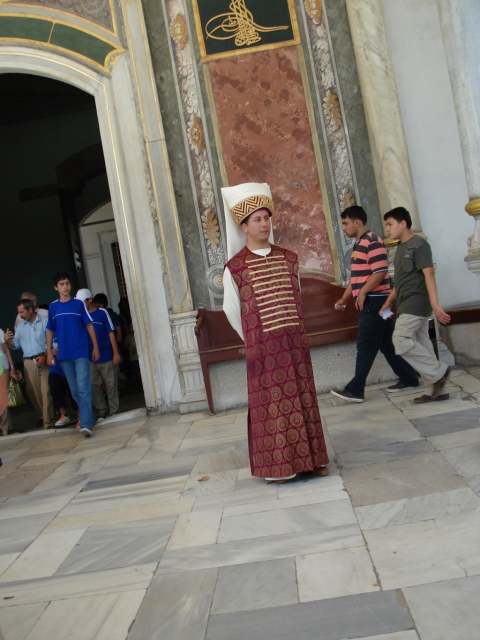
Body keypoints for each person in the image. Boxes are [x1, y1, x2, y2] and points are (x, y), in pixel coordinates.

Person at [223, 182, 329, 482]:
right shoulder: (235, 268)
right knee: (272, 405)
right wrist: (252, 339)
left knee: (303, 397)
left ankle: (313, 460)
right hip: (263, 349)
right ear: (244, 226)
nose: (264, 224)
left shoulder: (288, 258)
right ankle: (278, 467)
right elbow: (231, 310)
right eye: (257, 219)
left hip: (293, 344)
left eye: (266, 218)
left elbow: (296, 296)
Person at [331, 206, 419, 402]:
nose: (343, 228)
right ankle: (409, 377)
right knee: (386, 343)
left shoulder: (372, 241)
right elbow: (356, 278)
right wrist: (344, 299)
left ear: (357, 222)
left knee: (366, 344)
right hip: (375, 303)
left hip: (376, 302)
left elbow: (380, 272)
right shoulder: (359, 244)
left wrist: (363, 292)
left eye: (345, 223)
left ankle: (356, 389)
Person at [381, 207, 451, 403]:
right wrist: (388, 302)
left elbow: (429, 275)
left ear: (403, 223)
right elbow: (400, 282)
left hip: (417, 302)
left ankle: (439, 372)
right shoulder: (400, 248)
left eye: (390, 224)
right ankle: (436, 390)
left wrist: (435, 305)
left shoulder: (419, 245)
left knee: (400, 339)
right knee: (423, 344)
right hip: (404, 302)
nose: (387, 229)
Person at [46, 273, 100, 437]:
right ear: (56, 288)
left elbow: (89, 325)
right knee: (75, 390)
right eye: (61, 284)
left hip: (81, 352)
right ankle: (90, 415)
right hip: (64, 355)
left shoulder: (78, 304)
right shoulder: (53, 307)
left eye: (67, 283)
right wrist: (49, 351)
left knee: (83, 387)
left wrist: (95, 347)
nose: (65, 287)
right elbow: (49, 329)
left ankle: (86, 423)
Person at [5, 298, 54, 428]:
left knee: (45, 391)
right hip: (28, 362)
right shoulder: (20, 327)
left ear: (31, 310)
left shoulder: (45, 321)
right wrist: (8, 341)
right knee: (34, 393)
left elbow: (54, 341)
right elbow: (16, 346)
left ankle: (47, 422)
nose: (20, 315)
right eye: (19, 312)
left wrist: (46, 355)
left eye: (22, 312)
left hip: (44, 359)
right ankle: (45, 416)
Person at [76, 289, 121, 420]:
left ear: (90, 300)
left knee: (111, 384)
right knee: (94, 385)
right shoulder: (80, 316)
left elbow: (111, 332)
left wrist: (116, 353)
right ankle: (102, 410)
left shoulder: (102, 313)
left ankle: (114, 410)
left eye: (83, 302)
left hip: (106, 355)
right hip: (89, 358)